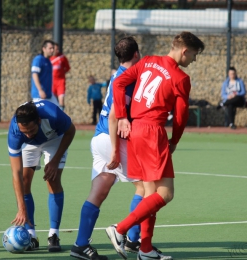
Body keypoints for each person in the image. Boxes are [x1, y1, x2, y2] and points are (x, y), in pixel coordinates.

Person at [105, 31, 205, 260]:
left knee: (150, 194)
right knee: (166, 194)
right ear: (184, 51)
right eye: (194, 55)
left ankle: (146, 248)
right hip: (152, 133)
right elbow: (181, 117)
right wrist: (174, 140)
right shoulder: (180, 78)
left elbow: (119, 82)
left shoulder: (147, 60)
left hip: (135, 131)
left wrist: (122, 116)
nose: (193, 60)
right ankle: (119, 229)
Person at [70, 36, 170, 260]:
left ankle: (80, 245)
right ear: (137, 53)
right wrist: (115, 150)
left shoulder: (118, 74)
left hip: (99, 137)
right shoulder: (129, 77)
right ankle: (135, 240)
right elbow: (116, 114)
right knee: (146, 189)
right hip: (113, 139)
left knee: (99, 191)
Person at [8, 100, 76, 252]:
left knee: (53, 180)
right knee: (24, 181)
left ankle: (54, 234)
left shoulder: (53, 115)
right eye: (24, 131)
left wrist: (55, 160)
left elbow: (71, 130)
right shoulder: (16, 132)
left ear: (38, 121)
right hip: (29, 145)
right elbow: (16, 173)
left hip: (54, 139)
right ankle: (31, 236)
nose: (28, 134)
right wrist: (21, 208)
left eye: (31, 130)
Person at [31, 40, 59, 106]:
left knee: (58, 113)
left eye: (53, 48)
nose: (52, 50)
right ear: (44, 49)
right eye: (50, 48)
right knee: (42, 115)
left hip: (48, 95)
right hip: (39, 96)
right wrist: (40, 90)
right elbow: (34, 75)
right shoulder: (38, 59)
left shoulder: (48, 61)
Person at [50, 42, 71, 111]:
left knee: (61, 99)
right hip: (51, 82)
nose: (57, 51)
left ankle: (61, 116)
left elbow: (67, 68)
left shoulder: (62, 57)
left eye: (58, 49)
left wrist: (61, 73)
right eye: (56, 49)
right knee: (52, 100)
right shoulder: (48, 59)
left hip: (60, 81)